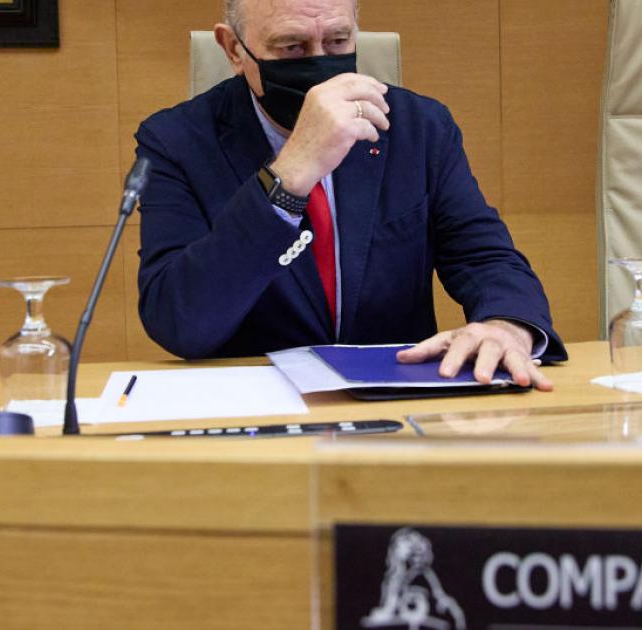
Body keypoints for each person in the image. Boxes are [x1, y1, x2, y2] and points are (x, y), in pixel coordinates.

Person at [134, 0, 566, 390]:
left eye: (338, 41)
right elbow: (179, 320)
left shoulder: (420, 127)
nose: (320, 63)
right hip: (256, 412)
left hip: (394, 404)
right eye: (292, 47)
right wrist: (290, 174)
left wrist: (507, 324)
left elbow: (485, 257)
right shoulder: (175, 141)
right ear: (232, 49)